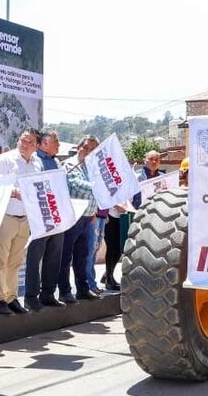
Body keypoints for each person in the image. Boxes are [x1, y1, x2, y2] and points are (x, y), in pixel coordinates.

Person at [0, 128, 41, 315]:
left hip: (25, 218)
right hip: (7, 216)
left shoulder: (37, 163)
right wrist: (14, 192)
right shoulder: (5, 159)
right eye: (23, 140)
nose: (25, 144)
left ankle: (11, 297)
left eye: (30, 142)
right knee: (0, 260)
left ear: (36, 146)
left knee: (16, 262)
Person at [103, 150, 167, 291]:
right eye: (151, 159)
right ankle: (109, 278)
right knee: (115, 248)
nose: (153, 162)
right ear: (145, 160)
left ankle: (108, 274)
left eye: (157, 159)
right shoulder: (134, 176)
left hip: (147, 218)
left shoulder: (162, 179)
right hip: (121, 215)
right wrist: (118, 205)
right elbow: (118, 192)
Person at [24, 129, 68, 309]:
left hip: (57, 215)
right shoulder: (35, 161)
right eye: (56, 141)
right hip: (40, 215)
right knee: (35, 257)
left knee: (54, 255)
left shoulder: (56, 162)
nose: (59, 145)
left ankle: (48, 293)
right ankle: (31, 296)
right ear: (44, 143)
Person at [56, 135, 100, 306]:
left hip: (88, 217)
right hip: (72, 217)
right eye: (86, 147)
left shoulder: (93, 166)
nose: (88, 151)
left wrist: (94, 211)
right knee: (66, 256)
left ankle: (82, 289)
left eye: (92, 149)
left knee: (82, 256)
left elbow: (97, 194)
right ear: (78, 147)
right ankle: (64, 291)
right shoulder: (70, 164)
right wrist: (99, 187)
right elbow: (77, 184)